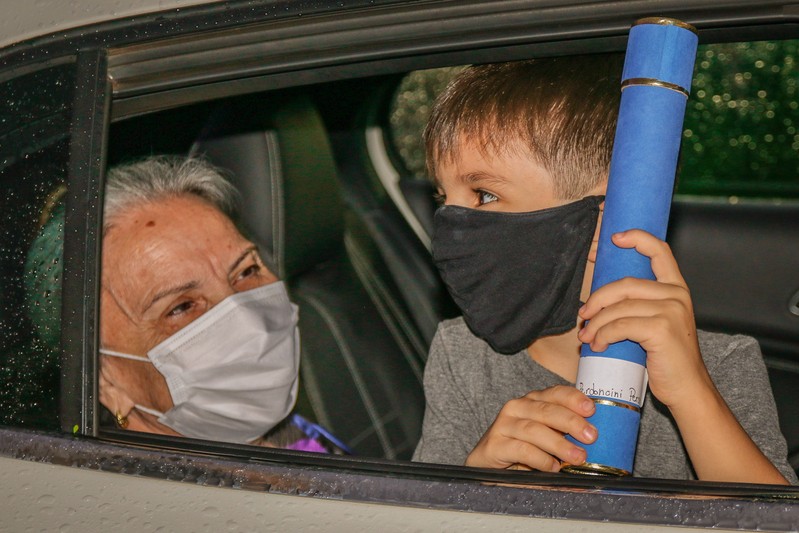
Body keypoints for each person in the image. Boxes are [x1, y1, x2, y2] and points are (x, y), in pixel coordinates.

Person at [412, 55, 797, 484]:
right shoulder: (460, 353)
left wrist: (692, 393)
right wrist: (478, 476)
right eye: (442, 197)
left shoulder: (722, 364)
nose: (450, 226)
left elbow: (770, 520)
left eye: (483, 195)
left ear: (609, 215)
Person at [94, 155, 349, 453]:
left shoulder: (296, 439)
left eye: (247, 271)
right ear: (108, 383)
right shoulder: (140, 496)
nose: (248, 322)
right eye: (181, 307)